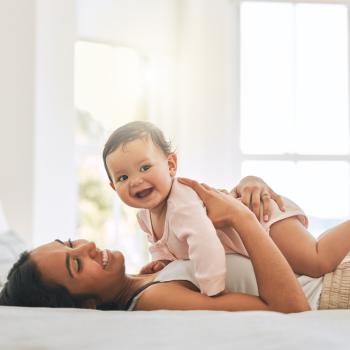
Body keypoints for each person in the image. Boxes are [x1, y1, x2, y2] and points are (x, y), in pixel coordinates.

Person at [103, 121, 350, 296]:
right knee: (303, 275)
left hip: (262, 218)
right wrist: (162, 264)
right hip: (252, 238)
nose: (135, 180)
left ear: (171, 165)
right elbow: (163, 247)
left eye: (145, 168)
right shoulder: (145, 217)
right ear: (114, 187)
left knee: (317, 259)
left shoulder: (181, 203)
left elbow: (205, 243)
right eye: (123, 177)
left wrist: (212, 288)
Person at [0, 177, 312, 312]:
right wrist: (242, 219)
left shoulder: (147, 274)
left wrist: (250, 186)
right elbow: (291, 308)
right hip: (329, 288)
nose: (88, 247)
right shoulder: (154, 299)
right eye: (76, 263)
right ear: (86, 306)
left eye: (70, 243)